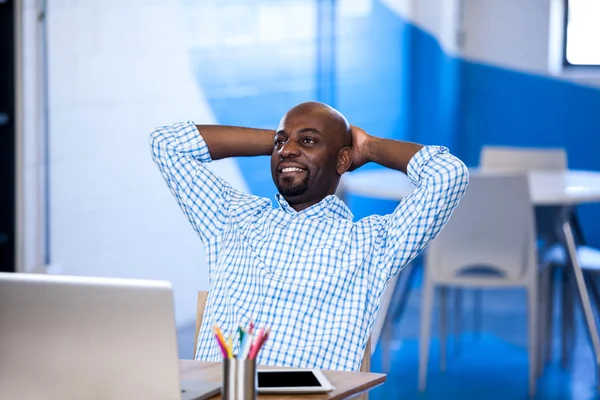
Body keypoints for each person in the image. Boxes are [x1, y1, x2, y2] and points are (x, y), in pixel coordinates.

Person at [150, 102, 469, 371]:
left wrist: (368, 147)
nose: (287, 150)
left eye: (308, 141)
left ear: (343, 160)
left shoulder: (373, 243)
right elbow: (167, 144)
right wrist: (282, 143)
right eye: (280, 143)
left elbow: (448, 174)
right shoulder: (231, 217)